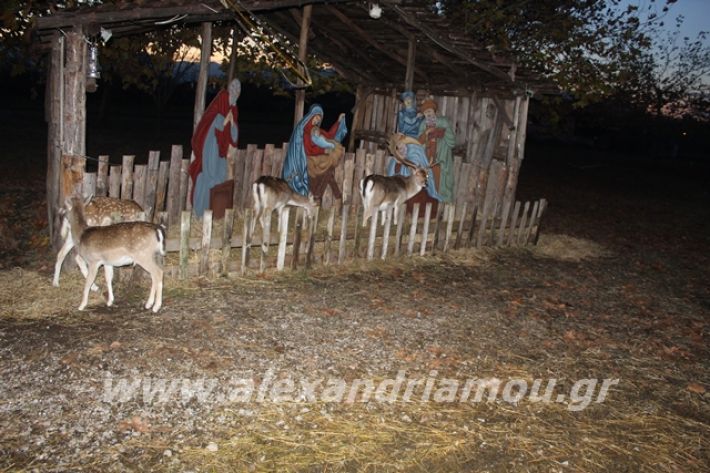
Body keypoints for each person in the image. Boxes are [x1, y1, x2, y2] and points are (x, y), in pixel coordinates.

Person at [189, 79, 240, 217]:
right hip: (211, 144)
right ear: (230, 88)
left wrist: (231, 123)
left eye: (238, 89)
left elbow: (234, 136)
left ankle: (214, 210)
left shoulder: (233, 107)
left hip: (222, 150)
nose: (236, 91)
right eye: (234, 87)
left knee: (220, 176)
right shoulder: (222, 98)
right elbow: (211, 121)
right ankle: (201, 212)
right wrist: (224, 121)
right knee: (209, 176)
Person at [282, 104, 347, 200]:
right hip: (306, 160)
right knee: (326, 172)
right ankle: (328, 197)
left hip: (316, 158)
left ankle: (334, 197)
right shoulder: (303, 130)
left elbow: (329, 136)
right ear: (311, 116)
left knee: (328, 172)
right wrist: (323, 150)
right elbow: (307, 148)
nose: (316, 121)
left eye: (318, 119)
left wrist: (338, 122)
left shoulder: (315, 129)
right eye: (315, 117)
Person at [418, 98, 455, 203]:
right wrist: (426, 134)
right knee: (428, 181)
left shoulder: (443, 121)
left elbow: (452, 141)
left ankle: (443, 203)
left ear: (434, 111)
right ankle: (429, 202)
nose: (428, 114)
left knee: (442, 182)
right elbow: (419, 142)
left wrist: (439, 132)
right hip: (427, 159)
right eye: (425, 112)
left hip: (441, 159)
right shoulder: (422, 125)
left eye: (429, 111)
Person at [386, 132, 442, 202]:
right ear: (396, 151)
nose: (404, 150)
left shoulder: (412, 160)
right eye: (400, 148)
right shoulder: (393, 163)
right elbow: (389, 182)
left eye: (405, 146)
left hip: (413, 192)